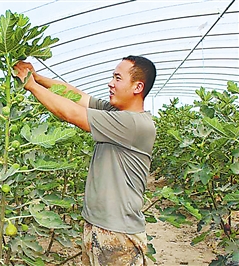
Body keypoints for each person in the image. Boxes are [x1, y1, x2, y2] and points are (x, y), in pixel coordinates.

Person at [14, 55, 157, 266]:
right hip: (97, 226)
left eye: (117, 78)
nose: (110, 83)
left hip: (117, 234)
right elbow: (75, 96)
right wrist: (37, 77)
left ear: (137, 87)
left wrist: (31, 86)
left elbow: (71, 112)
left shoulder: (134, 124)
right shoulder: (116, 112)